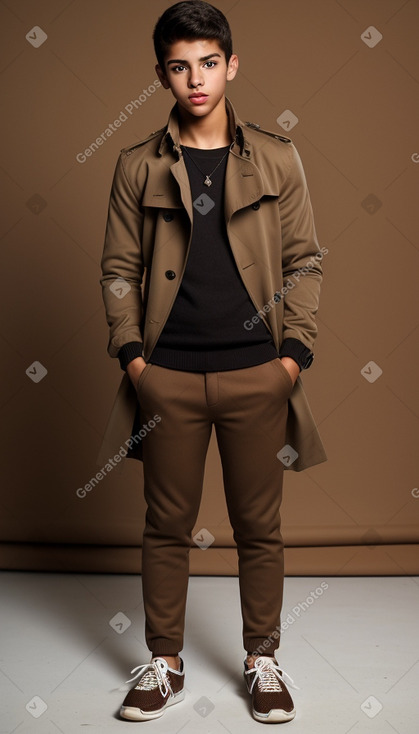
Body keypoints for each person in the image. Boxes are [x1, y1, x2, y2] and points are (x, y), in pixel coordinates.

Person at [100, 0, 327, 723]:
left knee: (259, 526)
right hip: (165, 375)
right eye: (178, 66)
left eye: (207, 62)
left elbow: (304, 261)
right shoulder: (136, 164)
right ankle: (163, 663)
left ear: (231, 65)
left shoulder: (278, 156)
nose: (194, 79)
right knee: (166, 523)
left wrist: (292, 356)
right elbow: (116, 269)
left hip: (257, 373)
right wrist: (135, 359)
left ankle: (262, 660)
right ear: (161, 74)